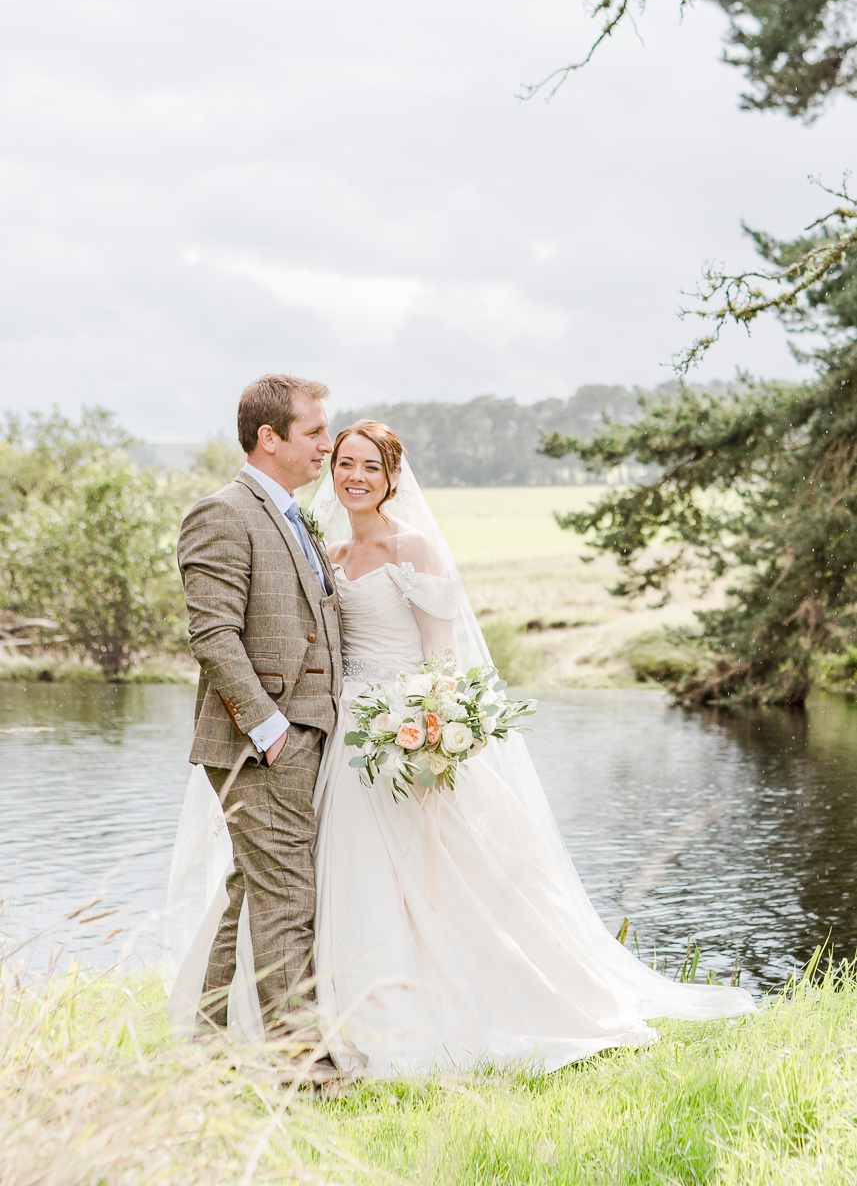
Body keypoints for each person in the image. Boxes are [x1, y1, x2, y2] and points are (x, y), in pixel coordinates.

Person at [166, 418, 755, 1076]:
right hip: (340, 736)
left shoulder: (412, 547)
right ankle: (321, 1017)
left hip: (400, 730)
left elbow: (442, 656)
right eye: (343, 463)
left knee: (430, 878)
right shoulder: (326, 551)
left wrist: (430, 729)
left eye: (369, 466)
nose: (353, 476)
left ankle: (430, 1009)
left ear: (392, 478)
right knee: (329, 876)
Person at [172, 373, 342, 1046]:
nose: (326, 445)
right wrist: (270, 730)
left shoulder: (292, 514)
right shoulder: (222, 513)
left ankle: (211, 1042)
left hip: (305, 737)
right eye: (315, 432)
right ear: (269, 438)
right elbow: (212, 634)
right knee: (285, 901)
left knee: (253, 892)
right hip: (264, 743)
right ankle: (301, 1065)